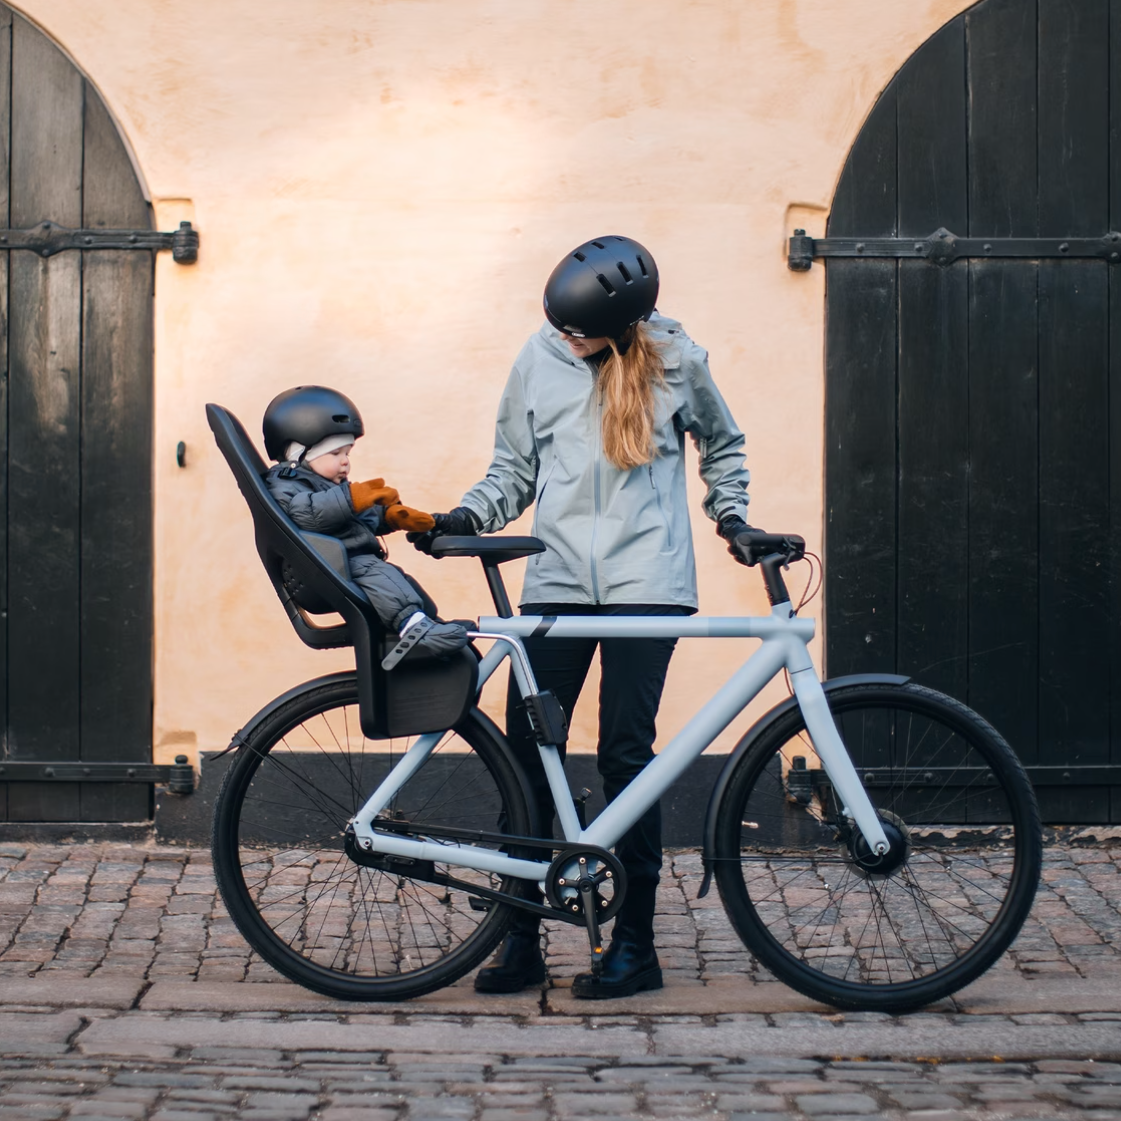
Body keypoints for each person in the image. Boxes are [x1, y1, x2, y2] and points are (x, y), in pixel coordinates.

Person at [411, 236, 760, 998]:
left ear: (625, 322)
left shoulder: (676, 359)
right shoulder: (538, 358)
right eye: (561, 327)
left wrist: (731, 518)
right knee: (526, 754)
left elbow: (724, 448)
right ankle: (522, 938)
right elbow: (513, 468)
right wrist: (465, 516)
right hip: (556, 583)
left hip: (649, 584)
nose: (567, 340)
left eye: (581, 331)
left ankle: (635, 948)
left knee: (627, 759)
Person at [262, 385, 473, 656]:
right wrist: (352, 498)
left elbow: (357, 517)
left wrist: (390, 517)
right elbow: (308, 514)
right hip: (334, 565)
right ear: (298, 452)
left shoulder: (323, 483)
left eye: (347, 453)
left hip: (351, 560)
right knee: (382, 575)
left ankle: (429, 624)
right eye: (335, 454)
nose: (345, 462)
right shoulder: (286, 484)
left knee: (400, 581)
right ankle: (416, 631)